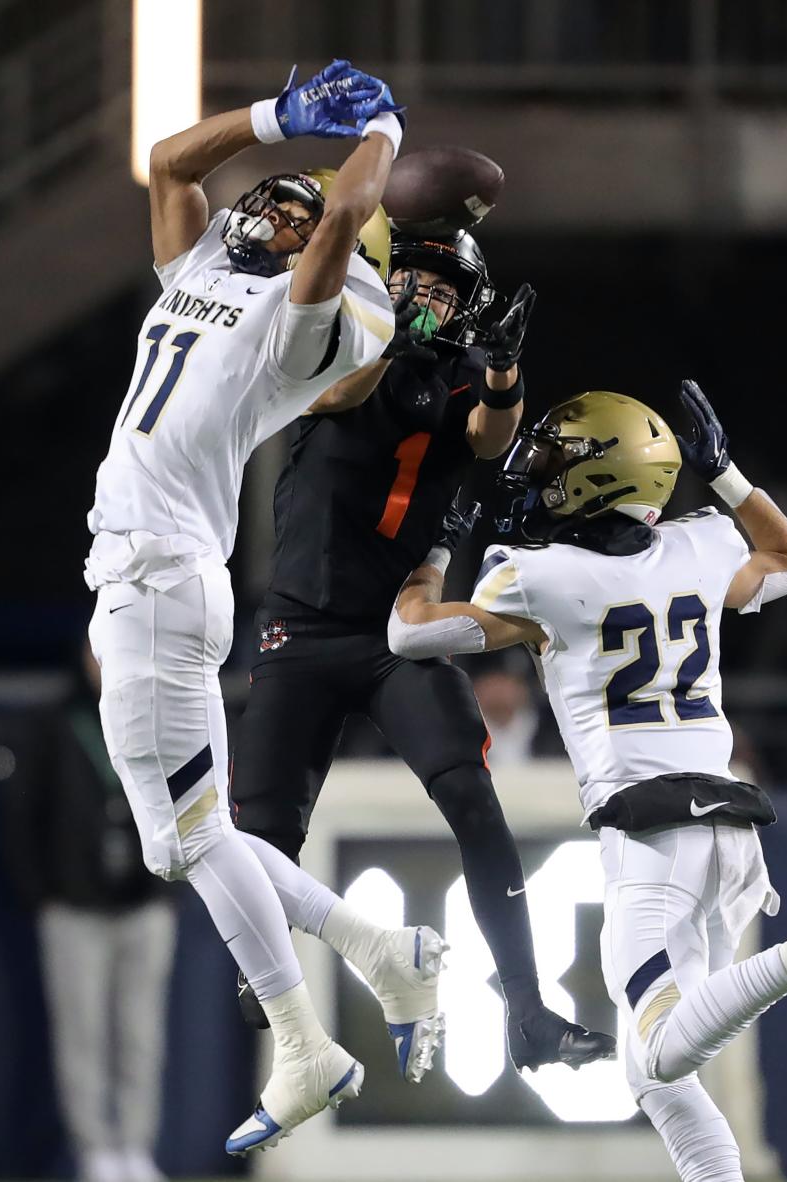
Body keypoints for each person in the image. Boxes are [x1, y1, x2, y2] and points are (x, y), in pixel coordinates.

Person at [388, 381, 787, 1182]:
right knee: (653, 1073)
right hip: (731, 828)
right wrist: (728, 475)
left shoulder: (540, 577)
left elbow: (408, 633)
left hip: (652, 833)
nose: (538, 473)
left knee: (661, 1046)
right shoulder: (698, 546)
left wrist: (431, 550)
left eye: (558, 461)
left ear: (599, 480)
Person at [84, 60, 444, 1156]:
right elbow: (167, 164)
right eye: (267, 194)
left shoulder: (300, 329)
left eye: (289, 209)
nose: (268, 207)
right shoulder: (203, 268)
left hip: (160, 577)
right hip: (143, 577)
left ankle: (303, 1039)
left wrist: (375, 130)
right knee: (177, 841)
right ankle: (381, 951)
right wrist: (274, 119)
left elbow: (342, 216)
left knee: (195, 838)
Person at [229, 227, 614, 1071]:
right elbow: (327, 394)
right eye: (416, 280)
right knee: (256, 844)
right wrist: (394, 341)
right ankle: (287, 1005)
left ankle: (527, 1012)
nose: (425, 297)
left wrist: (505, 367)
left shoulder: (466, 374)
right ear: (385, 275)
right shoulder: (339, 334)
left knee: (474, 802)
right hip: (299, 626)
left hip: (391, 637)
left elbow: (488, 435)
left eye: (444, 289)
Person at [6, 643, 175, 1182]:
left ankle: (134, 1146)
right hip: (74, 909)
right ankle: (95, 1150)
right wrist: (44, 894)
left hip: (144, 906)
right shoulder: (57, 723)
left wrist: (169, 887)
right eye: (102, 654)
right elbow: (20, 816)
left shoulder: (157, 721)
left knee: (141, 1034)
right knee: (82, 1034)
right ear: (85, 658)